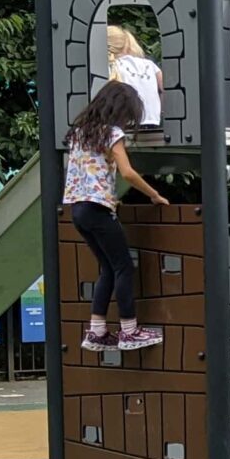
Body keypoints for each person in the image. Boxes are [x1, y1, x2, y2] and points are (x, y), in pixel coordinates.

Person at [64, 80, 171, 351]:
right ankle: (129, 331)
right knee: (124, 266)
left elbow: (89, 172)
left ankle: (97, 331)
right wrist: (153, 194)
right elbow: (127, 172)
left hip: (78, 209)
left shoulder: (79, 133)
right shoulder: (111, 133)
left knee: (108, 268)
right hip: (98, 209)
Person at [103, 24, 164, 133]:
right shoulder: (150, 64)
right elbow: (164, 89)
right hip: (152, 123)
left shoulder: (110, 66)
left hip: (123, 126)